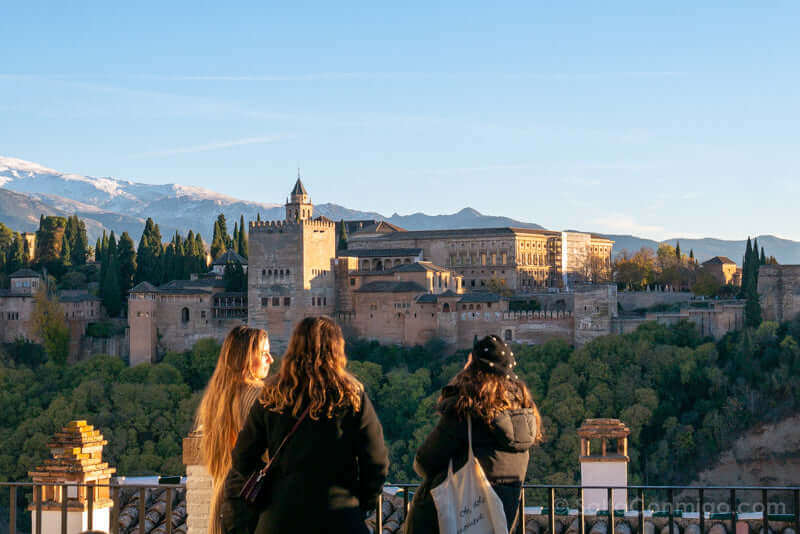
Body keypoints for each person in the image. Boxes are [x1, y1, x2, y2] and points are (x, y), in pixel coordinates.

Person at [226, 316, 390, 534]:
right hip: (339, 518)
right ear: (336, 349)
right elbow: (376, 462)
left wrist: (270, 492)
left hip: (280, 519)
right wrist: (358, 504)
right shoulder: (351, 397)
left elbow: (242, 456)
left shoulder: (271, 395)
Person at [405, 334, 542, 534]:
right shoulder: (524, 418)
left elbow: (425, 461)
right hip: (496, 521)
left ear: (474, 370)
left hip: (450, 520)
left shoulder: (467, 411)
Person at [194, 325, 273, 534]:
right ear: (247, 358)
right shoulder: (259, 396)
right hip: (251, 498)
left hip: (222, 499)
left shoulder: (216, 398)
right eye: (264, 353)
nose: (270, 360)